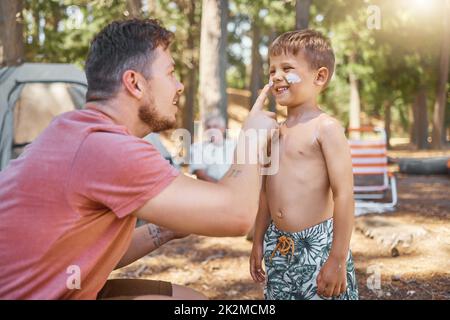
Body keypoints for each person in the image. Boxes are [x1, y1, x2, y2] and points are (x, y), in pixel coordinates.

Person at [0, 19, 277, 300]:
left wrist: (163, 230)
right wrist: (252, 137)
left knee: (190, 302)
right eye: (170, 73)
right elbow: (236, 215)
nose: (179, 86)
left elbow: (90, 256)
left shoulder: (76, 131)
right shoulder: (105, 147)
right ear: (134, 83)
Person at [249, 29, 359, 300]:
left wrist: (337, 258)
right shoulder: (273, 133)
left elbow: (343, 194)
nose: (276, 76)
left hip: (318, 247)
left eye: (287, 68)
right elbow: (265, 193)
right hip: (279, 245)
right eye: (272, 70)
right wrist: (258, 240)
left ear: (319, 76)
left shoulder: (326, 128)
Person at [189, 113, 236, 182]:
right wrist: (222, 187)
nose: (211, 130)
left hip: (234, 187)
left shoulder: (235, 146)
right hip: (210, 189)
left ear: (223, 128)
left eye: (215, 126)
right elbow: (200, 174)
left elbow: (242, 170)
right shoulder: (197, 148)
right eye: (208, 127)